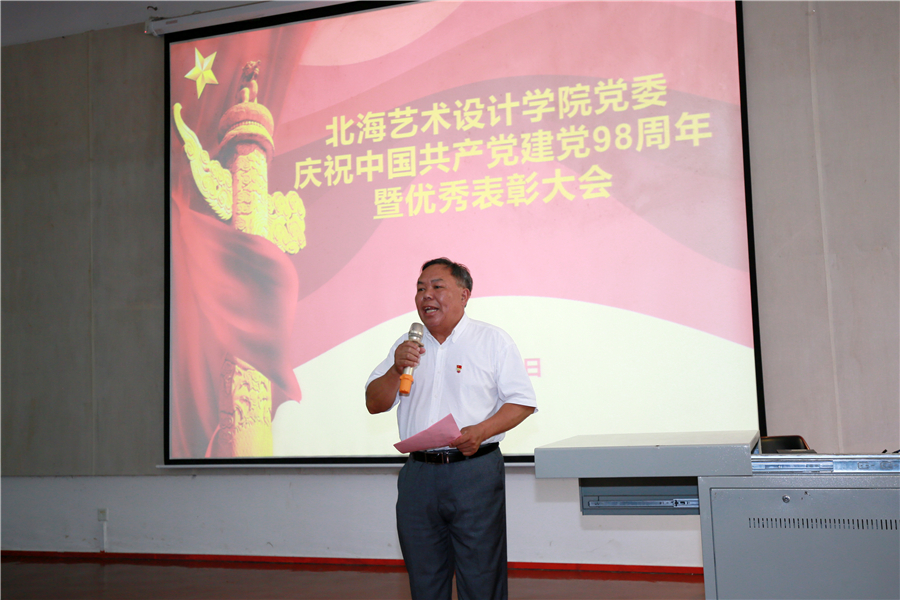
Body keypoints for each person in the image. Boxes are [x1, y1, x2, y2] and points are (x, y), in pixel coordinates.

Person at [365, 258, 537, 600]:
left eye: (437, 287)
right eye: (420, 288)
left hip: (473, 471)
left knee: (481, 576)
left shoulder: (492, 340)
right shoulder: (406, 345)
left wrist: (482, 431)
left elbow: (522, 401)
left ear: (464, 294)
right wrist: (396, 369)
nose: (426, 295)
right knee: (424, 576)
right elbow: (375, 402)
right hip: (418, 475)